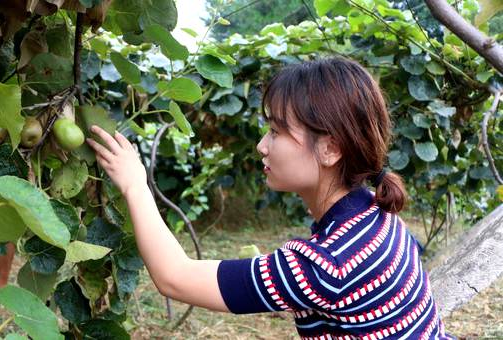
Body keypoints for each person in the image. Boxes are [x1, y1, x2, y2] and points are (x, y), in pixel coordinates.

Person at [86, 57, 453, 339]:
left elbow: (175, 278)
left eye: (276, 131)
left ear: (331, 148)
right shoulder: (378, 211)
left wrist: (135, 184)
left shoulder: (324, 267)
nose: (262, 145)